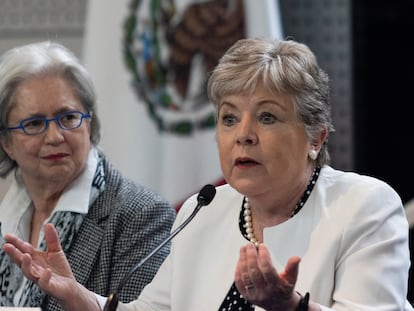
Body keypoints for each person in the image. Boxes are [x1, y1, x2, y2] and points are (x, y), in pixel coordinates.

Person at [2, 37, 413, 310]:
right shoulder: (203, 214)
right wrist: (78, 297)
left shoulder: (364, 208)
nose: (244, 136)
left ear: (315, 138)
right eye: (229, 118)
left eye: (267, 117)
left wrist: (291, 307)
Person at [0, 41, 176, 309]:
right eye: (34, 123)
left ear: (89, 122)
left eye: (68, 118)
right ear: (7, 143)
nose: (55, 136)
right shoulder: (7, 214)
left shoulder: (143, 215)